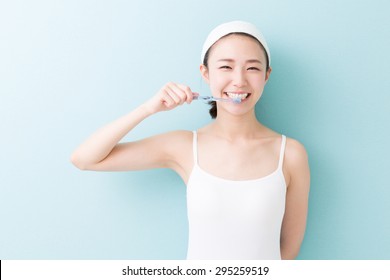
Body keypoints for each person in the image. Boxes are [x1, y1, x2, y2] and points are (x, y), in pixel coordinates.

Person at [71, 21, 310, 260]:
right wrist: (148, 108)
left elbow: (288, 252)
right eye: (226, 67)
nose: (239, 80)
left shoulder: (290, 154)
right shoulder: (183, 146)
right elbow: (85, 159)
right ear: (205, 73)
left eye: (253, 68)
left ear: (267, 75)